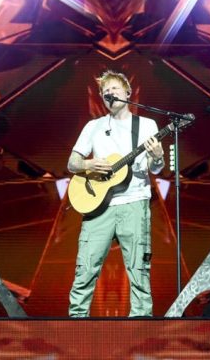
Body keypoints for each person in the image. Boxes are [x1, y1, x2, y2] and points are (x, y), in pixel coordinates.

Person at [67, 70, 165, 317]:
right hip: (98, 206)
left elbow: (155, 168)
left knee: (139, 269)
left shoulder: (147, 125)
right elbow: (72, 163)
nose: (109, 94)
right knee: (85, 268)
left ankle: (140, 323)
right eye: (104, 92)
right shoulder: (94, 126)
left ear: (128, 93)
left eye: (114, 89)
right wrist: (88, 164)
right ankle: (76, 322)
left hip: (135, 202)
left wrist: (157, 157)